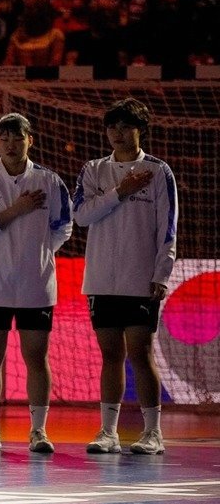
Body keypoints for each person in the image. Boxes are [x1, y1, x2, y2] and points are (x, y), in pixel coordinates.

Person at [0, 113, 72, 453]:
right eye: (5, 138)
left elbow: (63, 227)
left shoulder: (50, 181)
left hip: (36, 285)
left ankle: (38, 431)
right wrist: (18, 209)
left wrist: (36, 253)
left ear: (30, 141)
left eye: (18, 138)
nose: (11, 144)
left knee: (36, 357)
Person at [75, 99, 177, 456]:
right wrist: (121, 191)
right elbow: (82, 216)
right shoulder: (93, 170)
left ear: (140, 130)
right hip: (101, 279)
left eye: (126, 127)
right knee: (110, 354)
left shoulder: (159, 171)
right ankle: (108, 432)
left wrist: (161, 274)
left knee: (140, 352)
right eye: (113, 127)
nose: (117, 133)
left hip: (140, 279)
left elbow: (168, 228)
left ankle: (153, 433)